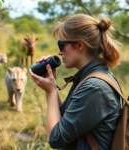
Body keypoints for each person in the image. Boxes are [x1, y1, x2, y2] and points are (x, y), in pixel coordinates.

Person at [29, 14, 123, 150]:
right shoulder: (91, 77)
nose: (59, 52)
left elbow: (55, 139)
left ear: (79, 45)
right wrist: (51, 85)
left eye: (61, 45)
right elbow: (65, 119)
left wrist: (51, 92)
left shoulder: (94, 87)